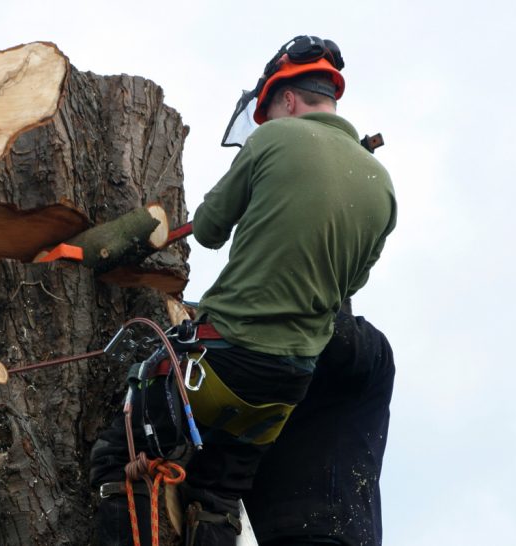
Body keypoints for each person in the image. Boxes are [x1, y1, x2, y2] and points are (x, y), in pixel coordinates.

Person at [90, 35, 397, 545]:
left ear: (288, 100)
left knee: (117, 456)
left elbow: (209, 229)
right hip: (289, 382)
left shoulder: (272, 140)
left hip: (225, 357)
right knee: (218, 492)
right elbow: (353, 282)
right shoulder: (381, 184)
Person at [244, 310, 395, 546]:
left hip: (325, 532)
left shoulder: (369, 347)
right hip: (263, 533)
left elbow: (329, 333)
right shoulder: (263, 383)